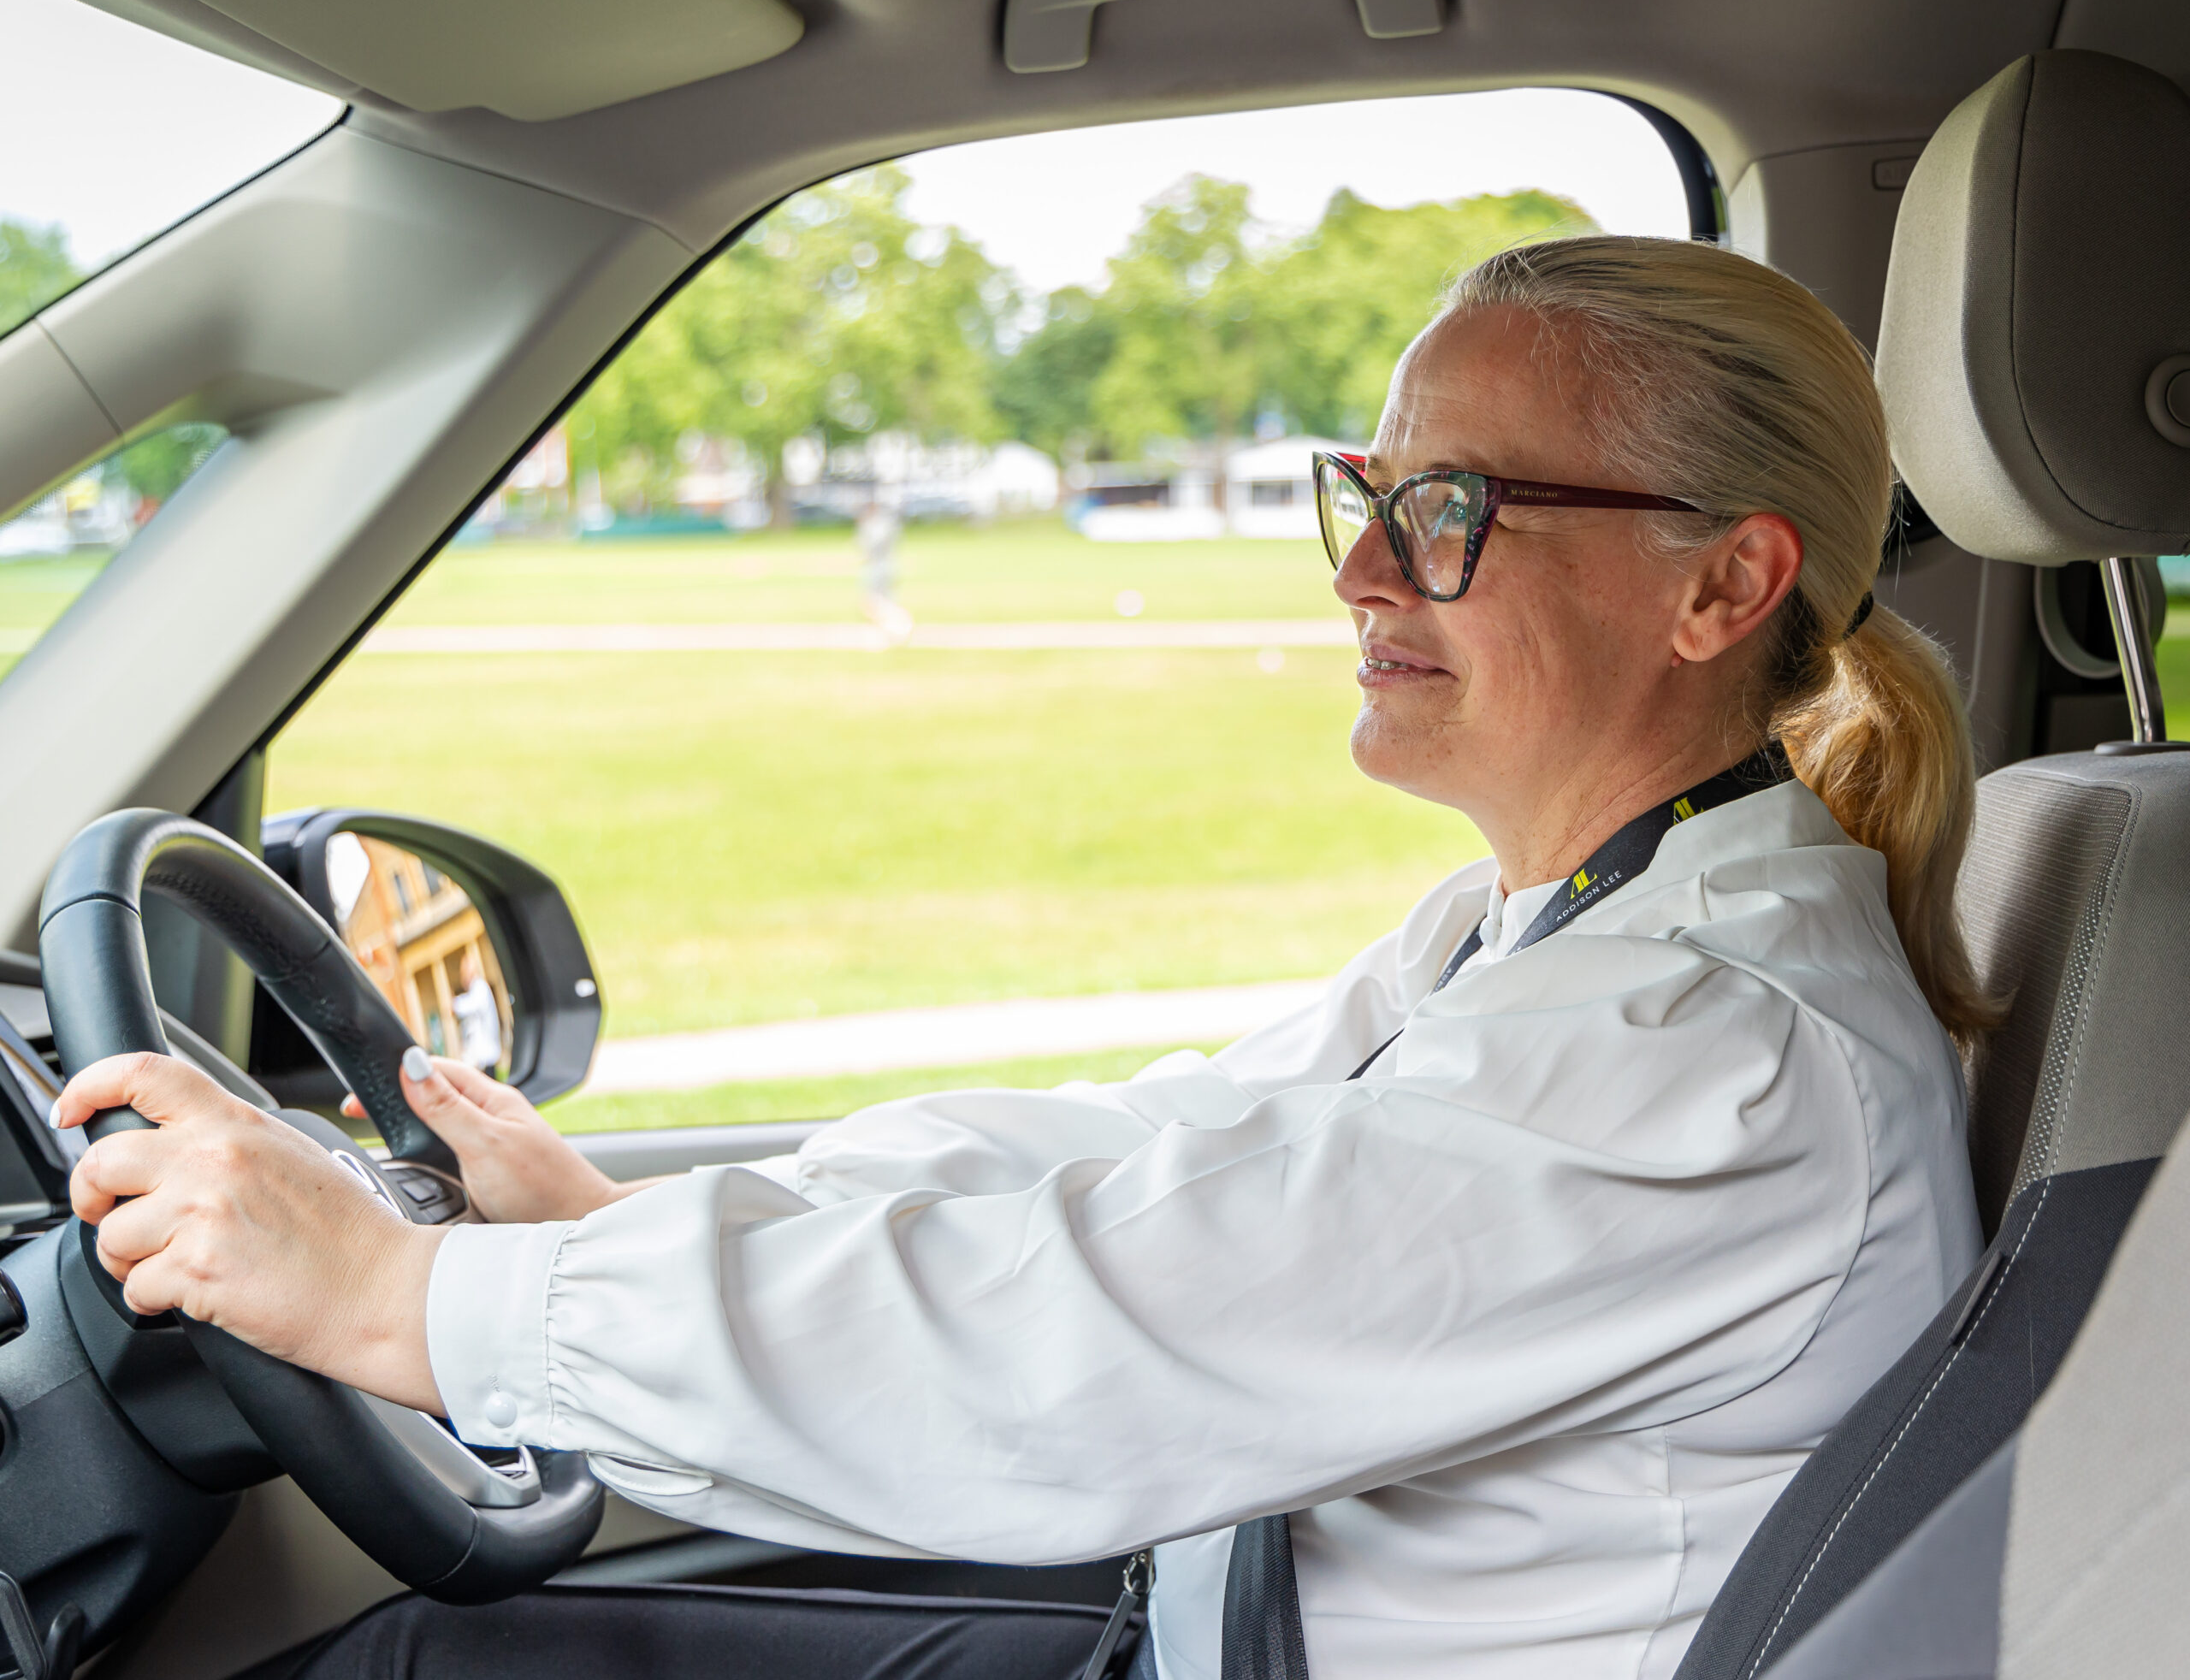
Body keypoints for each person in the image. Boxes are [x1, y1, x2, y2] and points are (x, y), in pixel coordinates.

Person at [57, 237, 1991, 1680]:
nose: (1355, 571)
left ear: (1719, 584)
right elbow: (1127, 1160)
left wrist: (419, 1303)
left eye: (1448, 509)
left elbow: (1080, 1340)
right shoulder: (1570, 928)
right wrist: (574, 1239)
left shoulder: (1698, 1053)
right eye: (1365, 492)